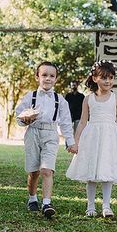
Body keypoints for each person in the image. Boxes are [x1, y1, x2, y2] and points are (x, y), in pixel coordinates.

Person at [66, 60, 117, 217]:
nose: (108, 81)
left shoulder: (116, 99)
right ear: (95, 78)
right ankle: (90, 206)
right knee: (92, 171)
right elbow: (82, 122)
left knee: (107, 170)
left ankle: (106, 206)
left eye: (111, 77)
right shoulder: (88, 99)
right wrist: (75, 141)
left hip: (110, 137)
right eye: (104, 77)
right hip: (92, 137)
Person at [15, 61, 76, 218]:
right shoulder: (31, 96)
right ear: (37, 77)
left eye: (52, 76)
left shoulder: (60, 100)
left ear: (55, 79)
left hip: (51, 134)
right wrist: (24, 120)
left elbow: (65, 122)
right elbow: (19, 116)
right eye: (44, 75)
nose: (48, 78)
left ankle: (47, 203)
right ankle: (32, 198)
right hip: (33, 132)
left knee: (47, 170)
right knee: (34, 171)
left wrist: (70, 141)